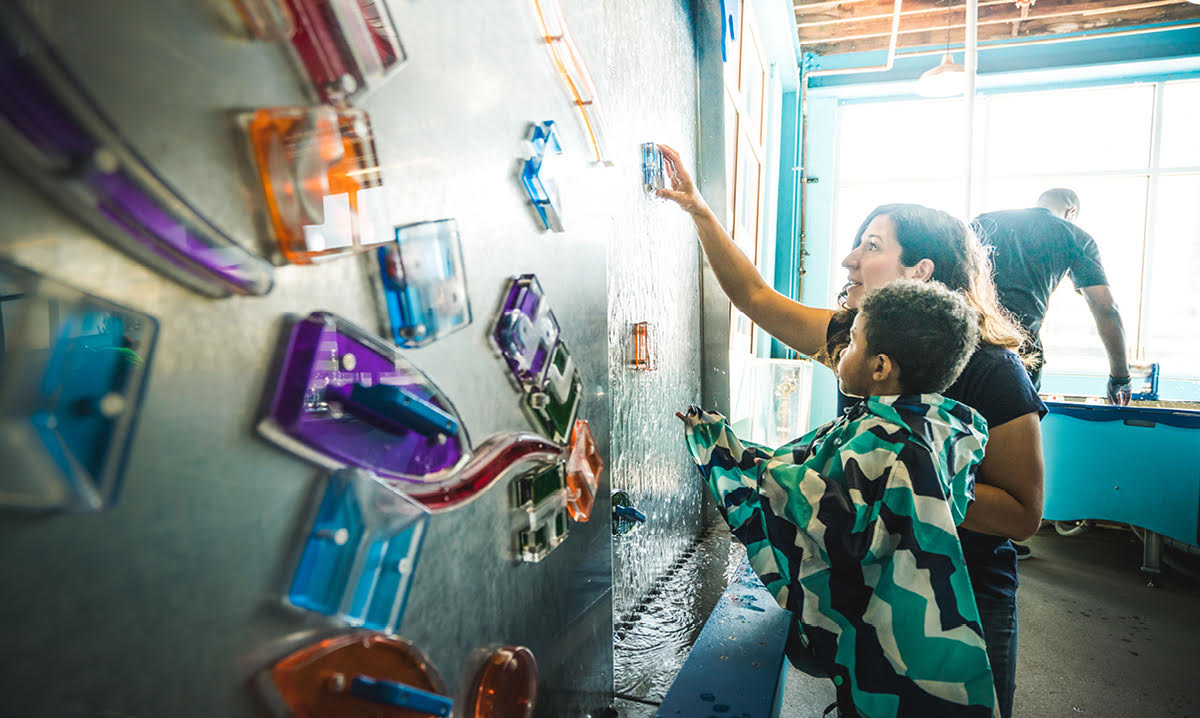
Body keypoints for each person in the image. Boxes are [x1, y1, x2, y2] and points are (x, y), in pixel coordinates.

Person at [656, 144, 1044, 718]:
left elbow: (1023, 513)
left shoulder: (993, 369)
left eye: (871, 246)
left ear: (920, 271)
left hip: (961, 584)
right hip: (867, 571)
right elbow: (756, 298)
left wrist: (913, 486)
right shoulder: (858, 337)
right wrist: (697, 210)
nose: (848, 260)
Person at [680, 279, 996, 717]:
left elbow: (798, 499)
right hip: (924, 623)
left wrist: (715, 445)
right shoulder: (945, 427)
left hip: (880, 634)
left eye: (851, 343)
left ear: (880, 367)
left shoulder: (879, 440)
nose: (842, 351)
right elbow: (810, 469)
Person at [971, 189, 1131, 403]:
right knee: (1016, 432)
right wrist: (1120, 376)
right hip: (1019, 350)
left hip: (968, 340)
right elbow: (1106, 308)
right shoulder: (1075, 236)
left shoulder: (986, 221)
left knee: (957, 429)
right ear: (1071, 211)